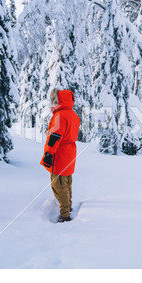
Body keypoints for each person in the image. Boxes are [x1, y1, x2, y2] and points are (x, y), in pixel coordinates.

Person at [40, 89, 81, 223]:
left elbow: (54, 137)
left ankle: (65, 215)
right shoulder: (73, 114)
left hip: (60, 153)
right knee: (67, 181)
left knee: (58, 184)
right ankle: (68, 207)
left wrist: (48, 154)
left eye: (55, 100)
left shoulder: (60, 116)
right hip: (70, 151)